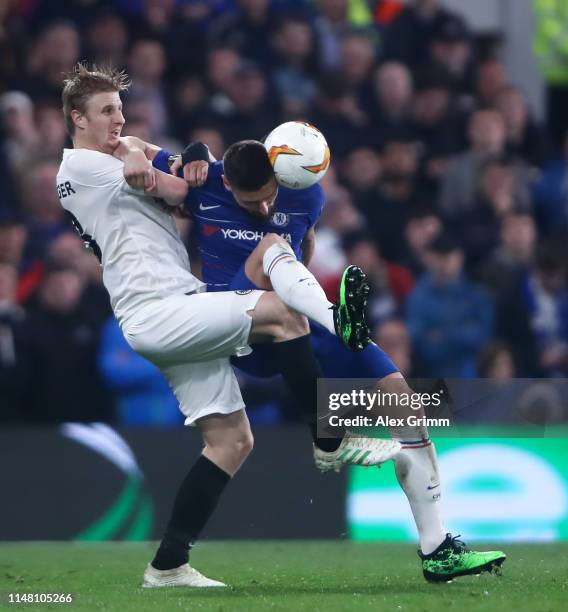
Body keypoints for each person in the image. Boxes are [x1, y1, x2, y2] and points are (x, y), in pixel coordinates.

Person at [56, 64, 397, 589]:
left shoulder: (102, 153)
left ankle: (167, 565)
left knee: (231, 442)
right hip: (156, 308)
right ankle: (328, 439)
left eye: (121, 110)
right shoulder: (81, 166)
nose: (118, 121)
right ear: (77, 119)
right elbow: (149, 178)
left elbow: (173, 160)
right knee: (283, 314)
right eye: (106, 112)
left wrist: (192, 151)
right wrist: (142, 153)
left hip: (178, 304)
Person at [127, 135, 506, 581]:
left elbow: (303, 248)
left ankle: (437, 548)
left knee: (405, 404)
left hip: (298, 320)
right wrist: (185, 151)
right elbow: (132, 146)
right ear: (227, 183)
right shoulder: (205, 179)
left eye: (270, 197)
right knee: (270, 245)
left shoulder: (306, 191)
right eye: (252, 202)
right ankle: (336, 318)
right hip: (240, 321)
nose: (265, 207)